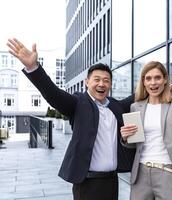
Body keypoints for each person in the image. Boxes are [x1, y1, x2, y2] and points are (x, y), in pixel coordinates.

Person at [7, 38, 136, 200]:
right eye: (97, 79)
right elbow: (52, 93)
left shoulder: (116, 106)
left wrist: (171, 87)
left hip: (112, 181)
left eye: (106, 80)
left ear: (110, 85)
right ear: (87, 82)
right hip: (87, 183)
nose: (101, 84)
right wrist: (33, 68)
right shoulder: (78, 103)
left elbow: (137, 96)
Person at [120, 57, 172, 200]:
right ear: (143, 82)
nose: (153, 83)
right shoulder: (136, 106)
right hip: (140, 172)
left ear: (165, 80)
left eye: (157, 78)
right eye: (148, 78)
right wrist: (125, 137)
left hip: (167, 171)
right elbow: (134, 143)